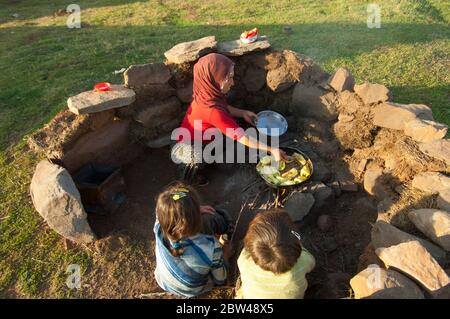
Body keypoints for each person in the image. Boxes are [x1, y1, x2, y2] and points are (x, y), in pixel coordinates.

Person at [171, 53, 286, 184]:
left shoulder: (206, 92)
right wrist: (272, 150)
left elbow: (223, 107)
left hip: (205, 138)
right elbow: (244, 138)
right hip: (186, 148)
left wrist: (242, 113)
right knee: (194, 160)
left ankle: (213, 157)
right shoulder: (213, 111)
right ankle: (190, 179)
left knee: (230, 134)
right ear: (214, 79)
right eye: (228, 78)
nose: (232, 82)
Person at [153, 181, 233, 298]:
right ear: (196, 220)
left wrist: (190, 210)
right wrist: (225, 253)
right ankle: (227, 226)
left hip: (164, 281)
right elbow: (221, 280)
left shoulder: (159, 226)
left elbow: (163, 210)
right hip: (194, 291)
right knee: (222, 261)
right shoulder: (211, 247)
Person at [235, 210, 316, 299]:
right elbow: (312, 263)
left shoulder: (244, 263)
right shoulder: (304, 261)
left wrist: (250, 244)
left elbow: (245, 251)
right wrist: (299, 244)